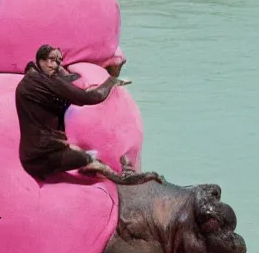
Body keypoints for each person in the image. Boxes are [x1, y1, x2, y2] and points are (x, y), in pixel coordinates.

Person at [15, 44, 162, 185]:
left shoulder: (29, 81)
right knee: (90, 159)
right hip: (41, 156)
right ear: (41, 60)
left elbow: (63, 85)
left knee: (79, 152)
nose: (56, 66)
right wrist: (111, 81)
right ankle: (120, 178)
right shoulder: (48, 83)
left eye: (59, 61)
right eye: (52, 61)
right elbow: (91, 97)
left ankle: (90, 167)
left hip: (31, 154)